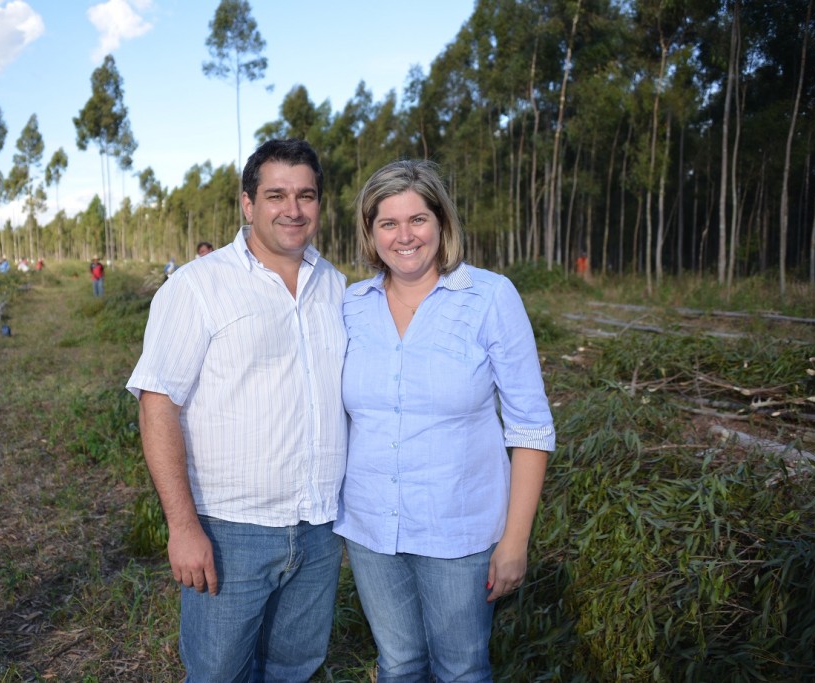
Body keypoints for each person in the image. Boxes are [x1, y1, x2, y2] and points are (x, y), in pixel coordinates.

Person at [126, 138, 347, 682]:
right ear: (247, 204)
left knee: (295, 669)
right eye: (276, 195)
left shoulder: (337, 287)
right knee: (219, 674)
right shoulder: (198, 287)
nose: (292, 209)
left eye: (306, 195)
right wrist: (183, 526)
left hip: (320, 527)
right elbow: (158, 405)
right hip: (231, 530)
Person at [333, 159, 555, 682]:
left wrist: (514, 542)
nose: (404, 236)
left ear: (443, 223)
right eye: (388, 223)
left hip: (458, 532)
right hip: (371, 530)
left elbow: (530, 427)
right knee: (399, 663)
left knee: (460, 668)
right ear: (370, 232)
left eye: (418, 220)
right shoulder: (350, 305)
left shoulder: (490, 297)